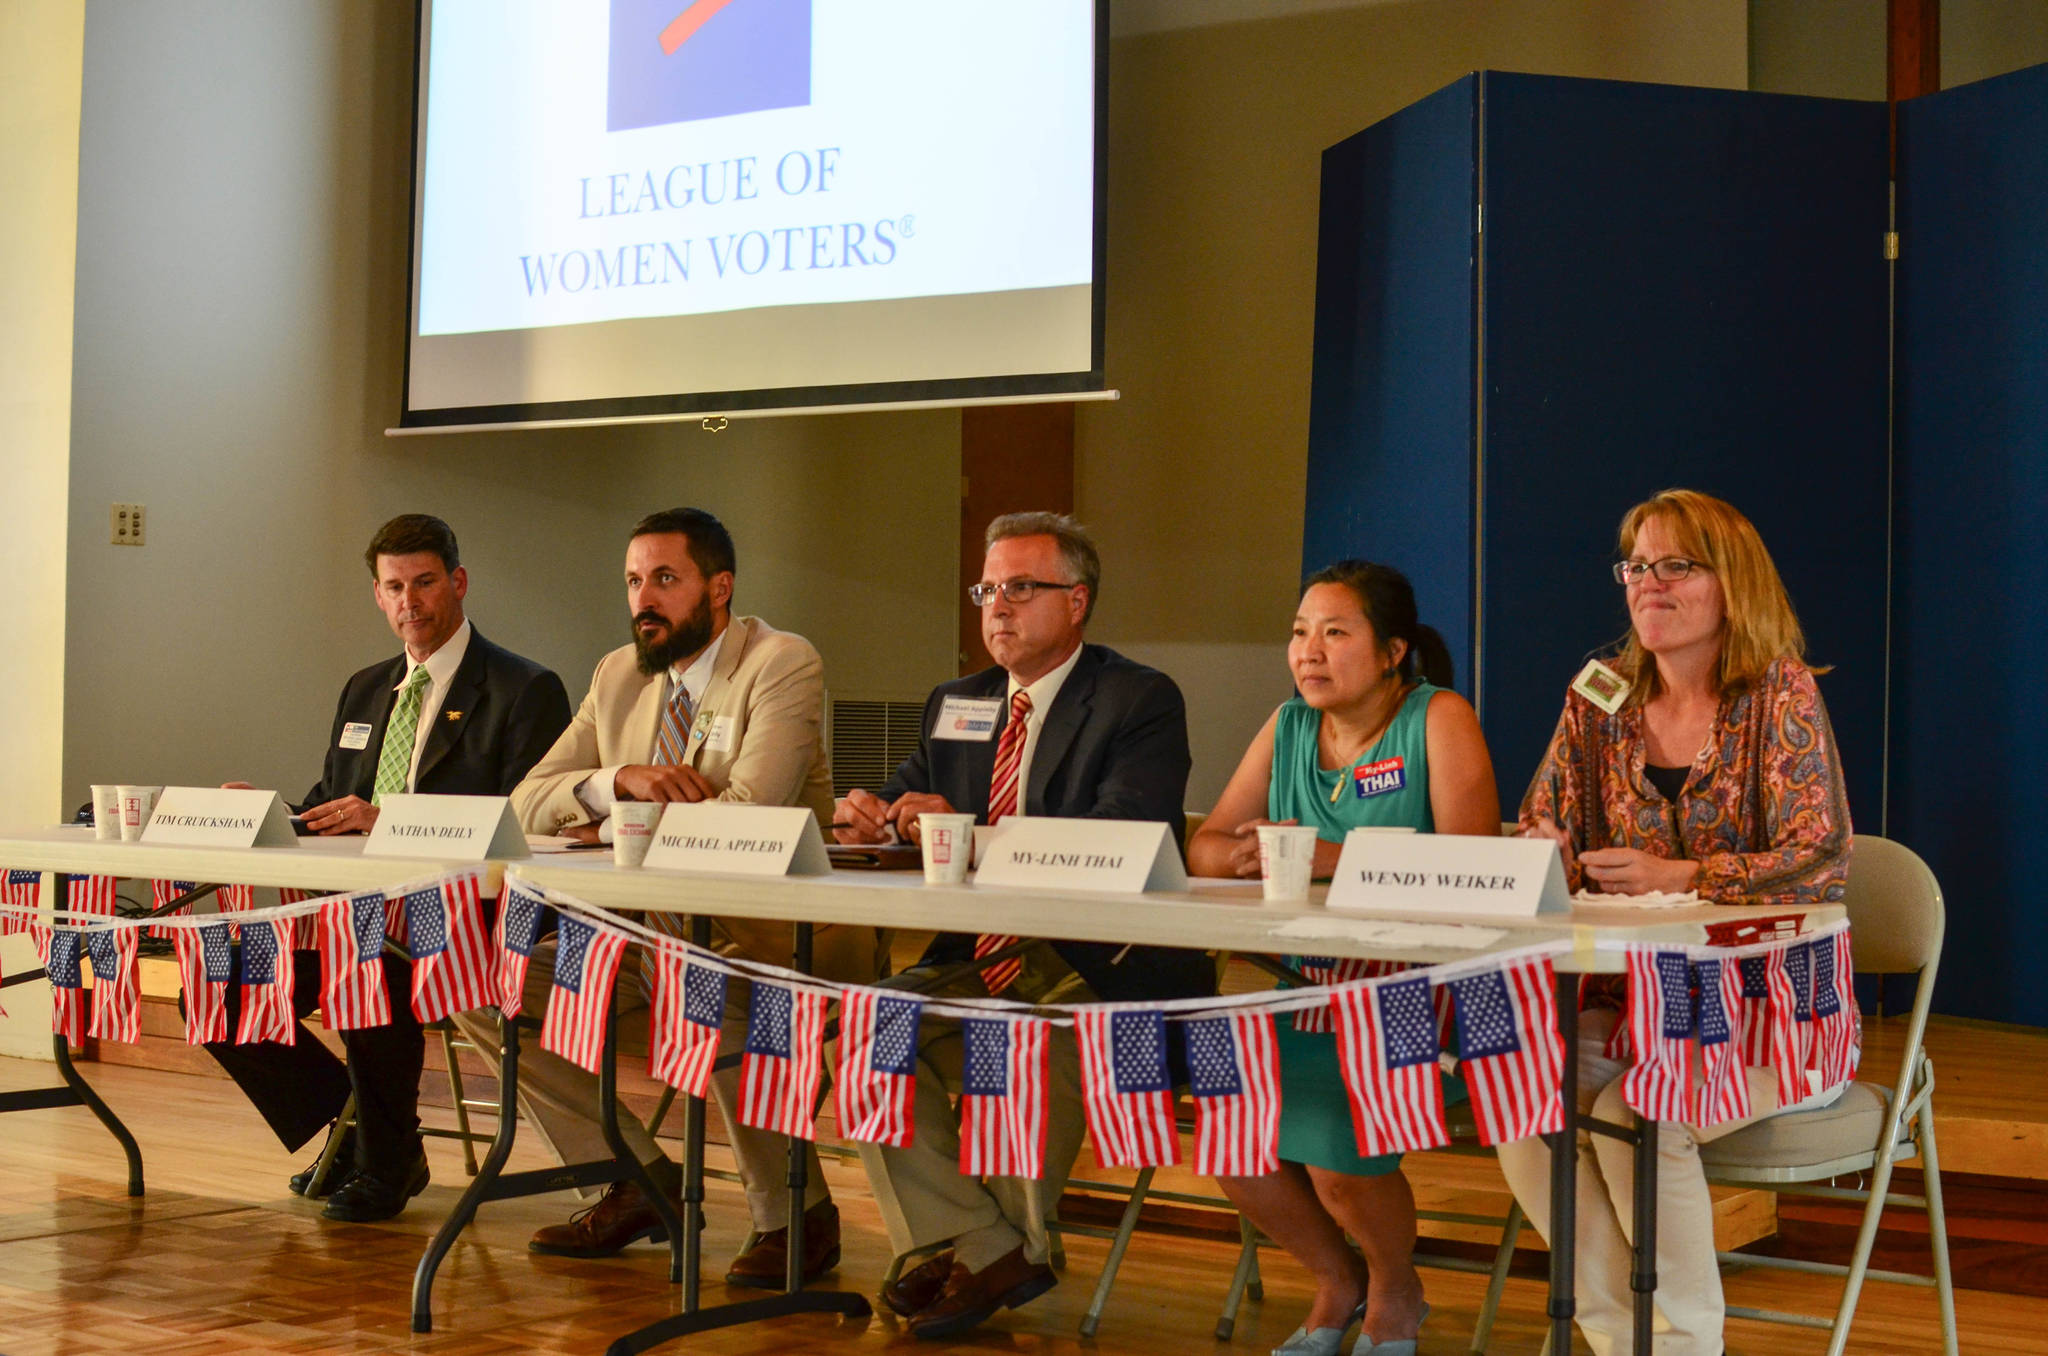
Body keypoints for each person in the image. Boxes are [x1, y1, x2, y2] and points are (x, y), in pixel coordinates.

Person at [453, 507, 886, 1287]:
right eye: (632, 581)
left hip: (770, 937)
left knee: (704, 989)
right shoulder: (618, 674)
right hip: (644, 935)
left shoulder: (780, 661)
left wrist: (615, 826)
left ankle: (796, 1216)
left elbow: (749, 813)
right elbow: (525, 800)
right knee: (485, 985)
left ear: (718, 588)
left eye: (664, 579)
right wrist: (618, 780)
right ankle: (630, 1178)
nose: (643, 599)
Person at [835, 511, 1211, 1342]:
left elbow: (1124, 832)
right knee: (865, 1026)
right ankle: (978, 1243)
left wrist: (965, 831)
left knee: (1023, 1039)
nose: (997, 606)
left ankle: (982, 1250)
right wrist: (875, 815)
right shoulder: (959, 701)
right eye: (987, 590)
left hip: (1103, 969)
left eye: (1020, 588)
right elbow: (909, 796)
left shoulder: (1137, 699)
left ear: (1077, 602)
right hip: (981, 960)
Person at [1496, 488, 1852, 1356]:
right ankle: (1621, 1340)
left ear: (1733, 583)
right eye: (1636, 567)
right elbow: (1542, 821)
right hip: (1631, 1009)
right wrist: (1543, 846)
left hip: (1772, 1018)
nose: (1648, 584)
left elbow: (1820, 856)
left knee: (1640, 1114)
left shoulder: (1779, 691)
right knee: (1522, 1100)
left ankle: (1687, 1345)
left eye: (1675, 566)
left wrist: (1687, 876)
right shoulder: (1599, 696)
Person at [205, 513, 571, 1221]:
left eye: (425, 583)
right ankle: (362, 1129)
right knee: (221, 987)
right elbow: (333, 804)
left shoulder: (524, 688)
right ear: (378, 595)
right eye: (395, 587)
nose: (411, 601)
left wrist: (389, 819)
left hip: (464, 915)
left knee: (370, 966)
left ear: (458, 582)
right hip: (354, 909)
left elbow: (525, 823)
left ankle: (384, 1158)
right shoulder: (366, 688)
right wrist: (273, 813)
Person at [1188, 560, 1498, 1356]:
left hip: (1418, 992)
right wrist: (1244, 857)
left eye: (1334, 632)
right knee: (1227, 1130)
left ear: (1393, 651)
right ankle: (1337, 1279)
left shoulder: (1438, 716)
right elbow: (1206, 844)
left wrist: (1335, 858)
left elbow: (1477, 865)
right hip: (1301, 986)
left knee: (1334, 1146)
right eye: (1299, 633)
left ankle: (1397, 1287)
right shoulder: (1288, 724)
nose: (1309, 652)